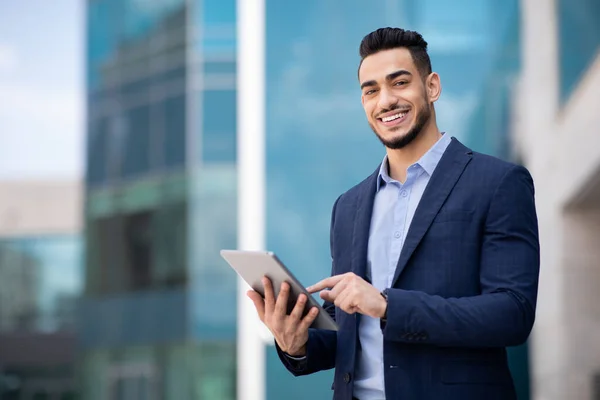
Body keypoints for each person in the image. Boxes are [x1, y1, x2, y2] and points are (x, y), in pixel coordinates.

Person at [247, 27, 540, 400]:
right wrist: (295, 341)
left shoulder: (498, 183)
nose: (385, 100)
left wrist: (387, 306)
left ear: (431, 87)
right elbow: (346, 328)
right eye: (371, 90)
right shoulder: (348, 206)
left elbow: (511, 314)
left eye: (399, 82)